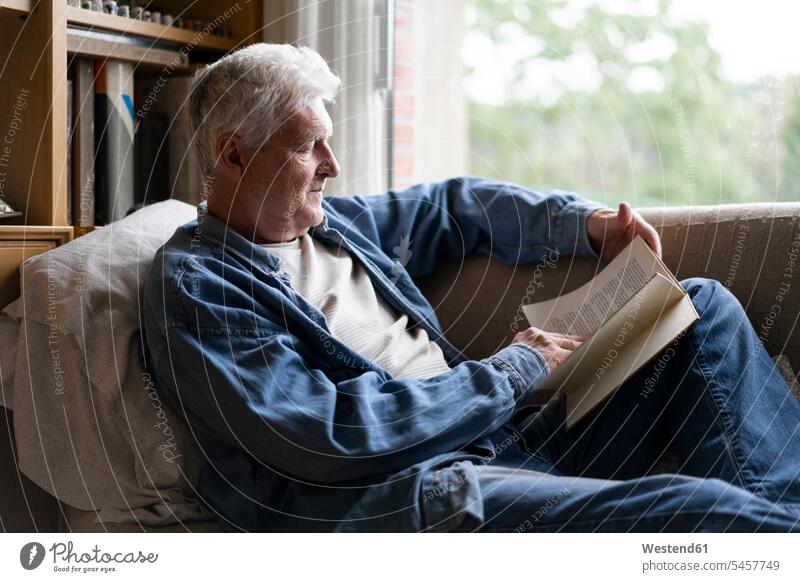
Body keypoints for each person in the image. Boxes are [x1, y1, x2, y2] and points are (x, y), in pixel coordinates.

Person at [142, 43, 800, 532]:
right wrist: (515, 368)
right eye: (310, 146)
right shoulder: (200, 287)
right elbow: (325, 437)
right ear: (233, 155)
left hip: (504, 441)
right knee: (695, 514)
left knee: (696, 309)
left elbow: (451, 210)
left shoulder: (334, 225)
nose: (333, 168)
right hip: (418, 497)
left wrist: (586, 226)